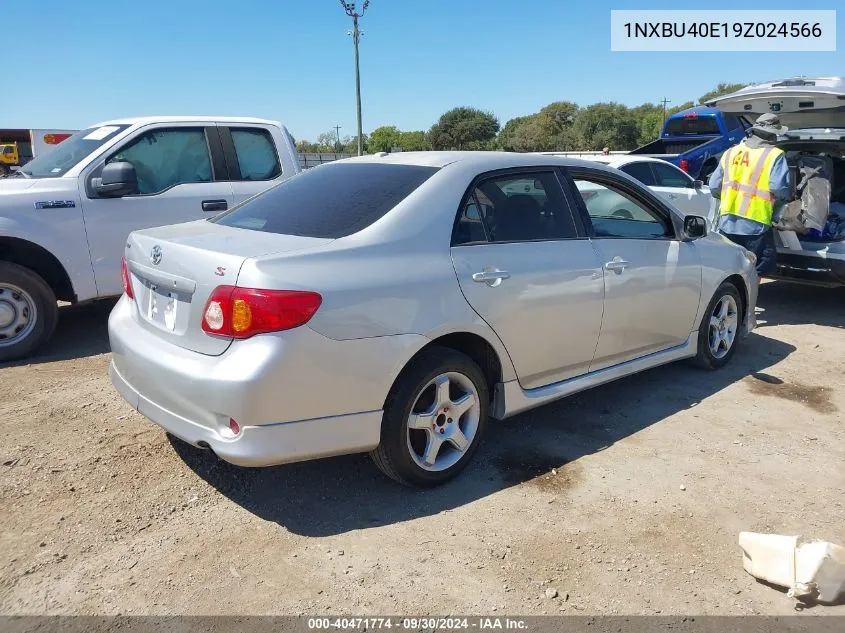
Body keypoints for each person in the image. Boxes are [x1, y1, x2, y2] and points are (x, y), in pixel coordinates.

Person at [708, 113, 791, 276]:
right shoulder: (774, 155)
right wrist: (786, 200)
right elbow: (779, 189)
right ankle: (749, 299)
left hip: (727, 222)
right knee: (755, 270)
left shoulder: (730, 153)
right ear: (773, 134)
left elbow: (713, 187)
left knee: (730, 269)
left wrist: (731, 198)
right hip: (756, 225)